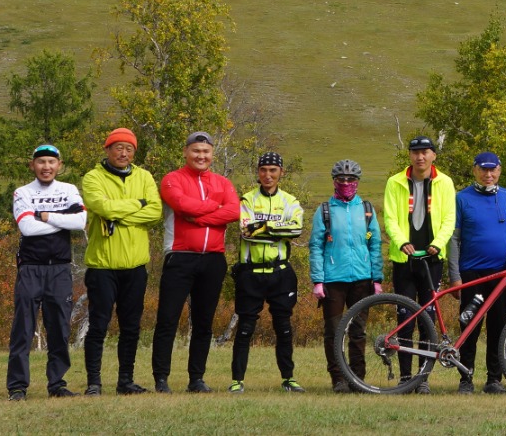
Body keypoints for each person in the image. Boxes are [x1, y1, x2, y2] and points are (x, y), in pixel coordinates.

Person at [153, 131, 240, 394]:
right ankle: (161, 378)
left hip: (213, 258)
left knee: (204, 322)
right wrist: (215, 207)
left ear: (212, 154)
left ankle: (196, 379)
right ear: (186, 152)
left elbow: (235, 211)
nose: (201, 156)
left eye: (205, 151)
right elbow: (182, 205)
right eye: (196, 151)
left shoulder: (223, 182)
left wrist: (200, 216)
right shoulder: (172, 179)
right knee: (168, 319)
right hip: (180, 256)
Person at [80, 127, 162, 396]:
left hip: (135, 266)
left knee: (131, 327)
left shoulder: (144, 176)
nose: (124, 153)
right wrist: (138, 203)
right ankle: (94, 383)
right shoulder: (93, 177)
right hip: (102, 265)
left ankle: (125, 381)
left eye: (129, 148)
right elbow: (101, 207)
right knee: (98, 325)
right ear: (108, 149)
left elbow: (155, 212)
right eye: (118, 147)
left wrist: (118, 215)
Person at [8, 144, 86, 400]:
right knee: (23, 329)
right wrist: (62, 217)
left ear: (59, 165)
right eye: (41, 162)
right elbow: (27, 228)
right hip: (30, 268)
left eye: (51, 162)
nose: (46, 167)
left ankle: (57, 385)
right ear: (32, 165)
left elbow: (80, 222)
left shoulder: (69, 189)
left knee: (59, 329)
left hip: (60, 269)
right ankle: (17, 387)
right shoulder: (22, 192)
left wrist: (43, 215)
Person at [381, 135, 456, 394]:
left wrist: (438, 242)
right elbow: (390, 218)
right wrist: (401, 242)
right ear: (410, 156)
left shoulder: (445, 182)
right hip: (404, 259)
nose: (420, 157)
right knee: (405, 318)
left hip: (432, 259)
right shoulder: (395, 182)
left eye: (425, 152)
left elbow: (449, 219)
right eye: (415, 152)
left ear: (434, 155)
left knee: (428, 320)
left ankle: (423, 378)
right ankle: (405, 377)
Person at [229, 151, 304, 394]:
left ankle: (288, 379)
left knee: (283, 327)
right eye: (263, 170)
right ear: (258, 172)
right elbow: (246, 232)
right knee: (245, 328)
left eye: (273, 170)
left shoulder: (290, 201)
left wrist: (264, 227)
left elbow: (297, 230)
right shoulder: (247, 199)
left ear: (281, 172)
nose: (268, 175)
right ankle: (237, 381)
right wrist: (278, 230)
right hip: (250, 273)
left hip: (280, 273)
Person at [309, 159, 383, 393]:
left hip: (362, 278)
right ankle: (338, 379)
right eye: (342, 179)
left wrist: (377, 278)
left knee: (358, 331)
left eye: (351, 179)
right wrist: (318, 280)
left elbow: (375, 244)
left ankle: (358, 379)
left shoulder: (367, 209)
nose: (346, 183)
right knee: (334, 332)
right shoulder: (324, 211)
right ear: (334, 181)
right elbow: (316, 246)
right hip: (333, 280)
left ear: (357, 182)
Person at [448, 151, 506, 395]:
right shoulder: (461, 198)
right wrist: (455, 275)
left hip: (502, 274)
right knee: (470, 326)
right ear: (475, 170)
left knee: (499, 327)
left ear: (499, 170)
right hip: (472, 273)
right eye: (483, 169)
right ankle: (465, 378)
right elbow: (454, 239)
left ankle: (494, 380)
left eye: (493, 169)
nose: (488, 174)